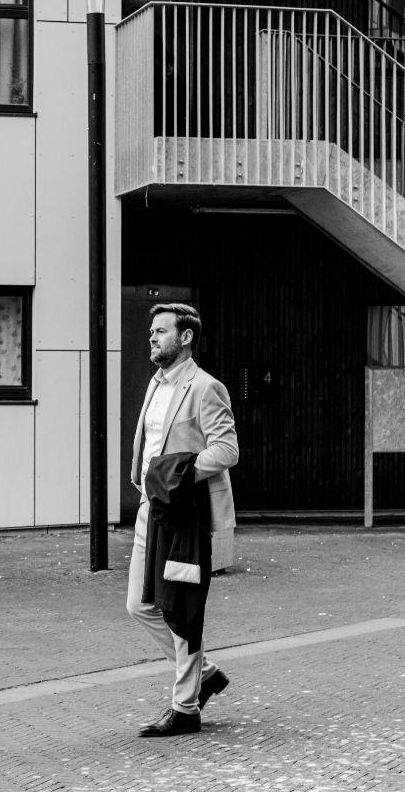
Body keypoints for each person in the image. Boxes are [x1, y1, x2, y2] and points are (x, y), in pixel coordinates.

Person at [126, 302, 239, 737]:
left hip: (182, 515)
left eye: (161, 331)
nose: (152, 337)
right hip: (149, 508)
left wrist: (178, 474)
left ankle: (185, 707)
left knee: (179, 608)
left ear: (186, 336)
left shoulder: (206, 387)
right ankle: (204, 674)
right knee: (140, 605)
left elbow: (226, 450)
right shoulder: (155, 384)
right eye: (152, 331)